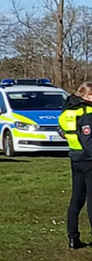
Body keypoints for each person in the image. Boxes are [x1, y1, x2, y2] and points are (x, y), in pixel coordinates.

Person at [58, 81, 92, 249]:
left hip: (75, 157)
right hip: (89, 159)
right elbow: (88, 139)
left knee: (76, 199)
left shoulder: (67, 110)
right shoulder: (87, 112)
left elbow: (62, 132)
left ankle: (73, 237)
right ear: (87, 96)